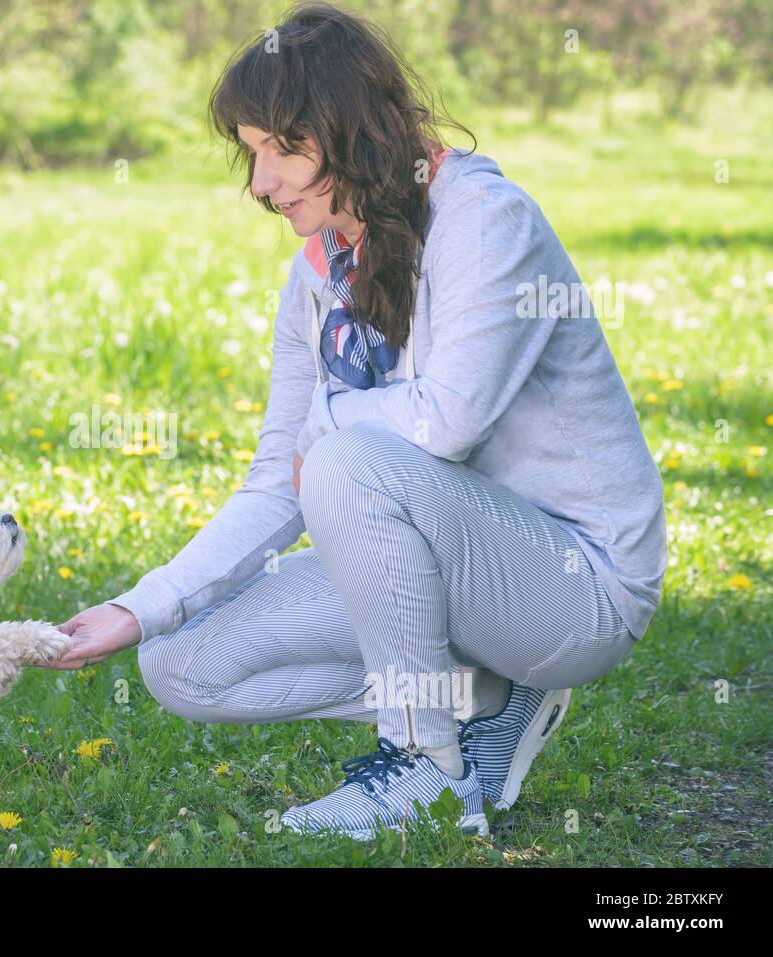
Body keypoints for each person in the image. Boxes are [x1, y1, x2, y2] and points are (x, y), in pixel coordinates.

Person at [37, 2, 666, 839]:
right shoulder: (318, 276)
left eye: (280, 148)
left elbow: (444, 421)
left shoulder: (485, 221)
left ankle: (424, 769)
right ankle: (483, 699)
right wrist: (145, 604)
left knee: (344, 458)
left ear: (349, 129)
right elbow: (278, 480)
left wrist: (324, 426)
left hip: (575, 586)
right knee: (179, 664)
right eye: (251, 151)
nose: (259, 183)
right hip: (456, 569)